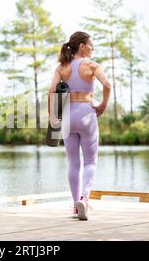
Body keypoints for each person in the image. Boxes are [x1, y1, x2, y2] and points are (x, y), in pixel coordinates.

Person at [48, 31, 111, 220]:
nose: (93, 48)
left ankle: (75, 207)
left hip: (67, 115)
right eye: (91, 44)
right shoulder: (92, 65)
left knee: (73, 162)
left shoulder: (62, 67)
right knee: (90, 161)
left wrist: (53, 117)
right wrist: (102, 106)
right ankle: (84, 198)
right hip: (86, 114)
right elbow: (107, 85)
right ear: (82, 46)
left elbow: (51, 92)